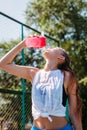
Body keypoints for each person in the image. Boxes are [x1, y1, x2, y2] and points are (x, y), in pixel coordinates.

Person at [0, 36, 83, 130]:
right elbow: (3, 64)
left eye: (53, 48)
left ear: (61, 57)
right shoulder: (34, 74)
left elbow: (74, 111)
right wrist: (23, 44)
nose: (49, 47)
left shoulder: (67, 76)